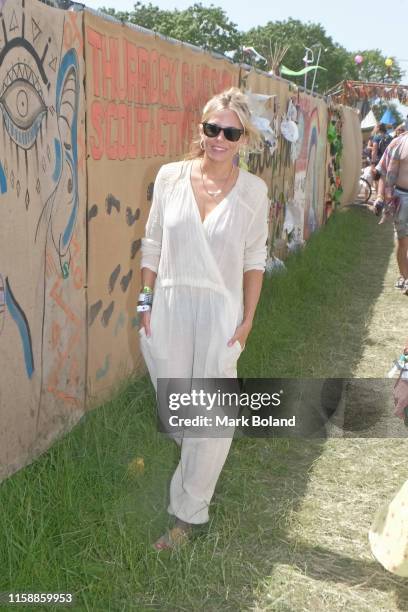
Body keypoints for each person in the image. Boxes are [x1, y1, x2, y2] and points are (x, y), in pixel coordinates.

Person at [138, 88, 269, 549]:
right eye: (212, 128)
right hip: (168, 307)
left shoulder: (254, 191)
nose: (219, 138)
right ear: (201, 129)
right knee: (179, 411)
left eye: (230, 132)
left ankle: (187, 517)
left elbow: (255, 258)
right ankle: (192, 467)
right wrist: (144, 300)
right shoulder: (170, 177)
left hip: (220, 314)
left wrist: (248, 318)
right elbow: (152, 241)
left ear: (243, 137)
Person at [374, 132, 408, 294]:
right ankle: (404, 277)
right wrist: (380, 196)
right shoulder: (398, 143)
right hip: (401, 197)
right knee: (403, 242)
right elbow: (382, 172)